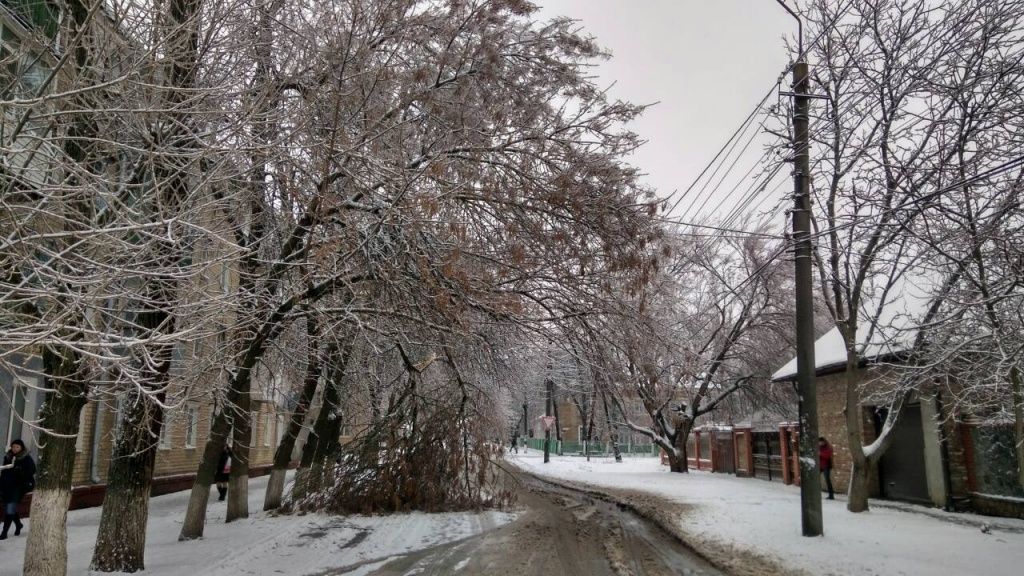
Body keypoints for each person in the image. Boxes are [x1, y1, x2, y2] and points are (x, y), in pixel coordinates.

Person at [0, 439, 35, 539]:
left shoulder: (26, 458)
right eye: (13, 446)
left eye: (17, 447)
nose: (15, 449)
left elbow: (32, 470)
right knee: (10, 505)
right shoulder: (8, 457)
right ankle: (18, 524)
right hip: (8, 485)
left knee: (10, 506)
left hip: (20, 486)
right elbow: (4, 472)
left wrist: (20, 471)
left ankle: (4, 532)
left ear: (21, 448)